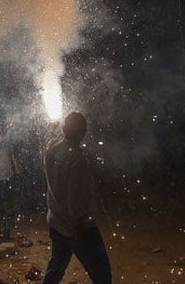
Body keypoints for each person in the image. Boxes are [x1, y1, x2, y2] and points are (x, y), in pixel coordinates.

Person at [42, 112, 112, 284]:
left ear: (64, 129)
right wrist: (79, 229)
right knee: (102, 273)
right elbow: (76, 202)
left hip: (56, 221)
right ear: (83, 132)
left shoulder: (52, 149)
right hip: (77, 227)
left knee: (56, 268)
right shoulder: (77, 161)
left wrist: (51, 129)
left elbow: (49, 139)